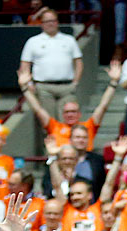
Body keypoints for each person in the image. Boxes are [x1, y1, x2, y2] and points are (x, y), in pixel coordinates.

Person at [18, 8, 84, 152]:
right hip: (44, 87)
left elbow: (78, 62)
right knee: (48, 125)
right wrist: (28, 83)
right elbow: (25, 65)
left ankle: (70, 157)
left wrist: (75, 82)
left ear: (57, 22)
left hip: (67, 87)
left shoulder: (69, 39)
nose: (50, 24)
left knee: (69, 124)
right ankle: (51, 159)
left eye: (53, 20)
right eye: (46, 21)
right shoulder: (33, 41)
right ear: (41, 24)